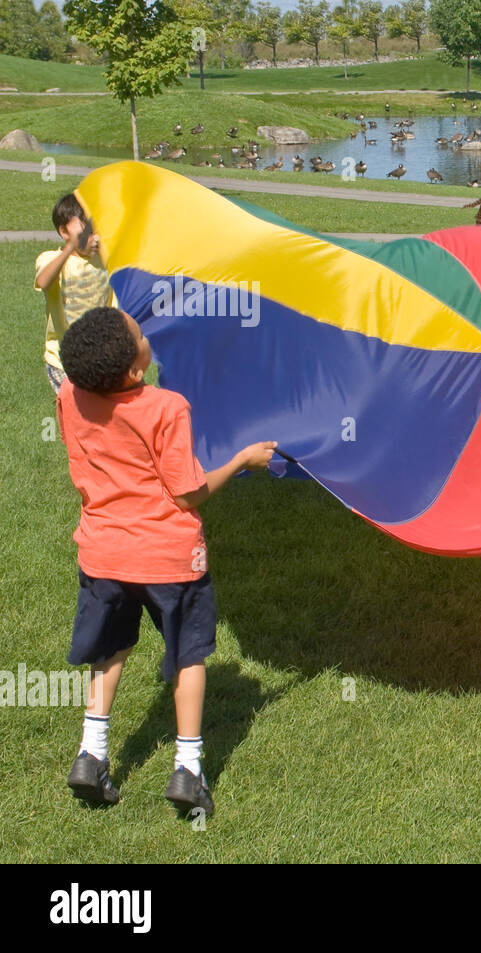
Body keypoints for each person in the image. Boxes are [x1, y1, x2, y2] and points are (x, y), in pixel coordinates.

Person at [56, 307, 277, 816]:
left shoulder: (72, 396)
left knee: (109, 650)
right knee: (188, 656)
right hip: (169, 559)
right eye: (139, 334)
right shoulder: (166, 407)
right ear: (135, 369)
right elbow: (188, 494)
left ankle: (91, 755)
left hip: (104, 553)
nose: (142, 330)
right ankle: (189, 769)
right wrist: (243, 460)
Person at [34, 195, 116, 395]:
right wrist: (71, 247)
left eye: (96, 230)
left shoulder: (105, 261)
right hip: (61, 360)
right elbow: (44, 282)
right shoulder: (51, 259)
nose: (95, 237)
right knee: (75, 409)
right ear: (64, 231)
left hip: (98, 357)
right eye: (87, 231)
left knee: (98, 414)